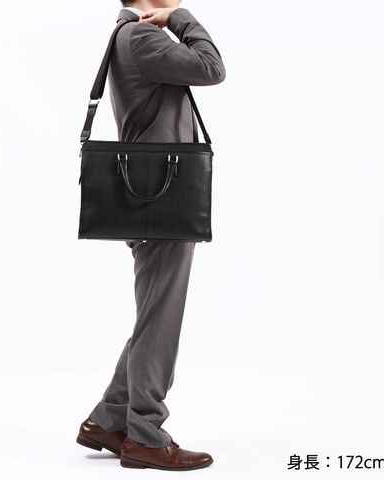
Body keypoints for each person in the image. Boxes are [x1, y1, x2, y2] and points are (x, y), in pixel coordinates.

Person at [76, 0, 226, 471]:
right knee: (160, 315)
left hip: (152, 192)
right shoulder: (141, 37)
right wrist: (179, 18)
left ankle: (108, 420)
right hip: (162, 196)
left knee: (153, 312)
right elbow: (212, 68)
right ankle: (144, 435)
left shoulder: (128, 36)